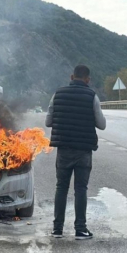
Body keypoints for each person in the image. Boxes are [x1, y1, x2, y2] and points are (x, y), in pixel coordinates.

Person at [45, 65, 106, 240]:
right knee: (81, 189)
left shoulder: (57, 94)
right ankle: (80, 229)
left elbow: (48, 121)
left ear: (72, 76)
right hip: (83, 151)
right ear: (88, 79)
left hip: (64, 149)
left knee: (61, 188)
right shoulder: (92, 96)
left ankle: (57, 229)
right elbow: (101, 124)